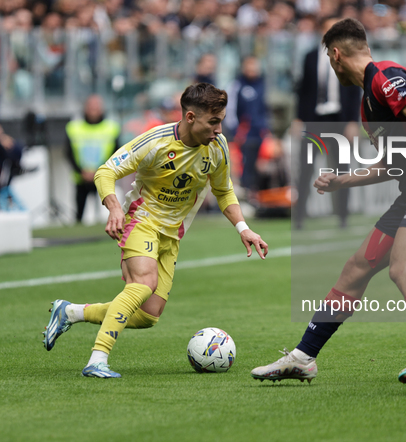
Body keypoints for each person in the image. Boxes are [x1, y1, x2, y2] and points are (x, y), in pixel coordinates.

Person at [251, 18, 406, 385]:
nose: (330, 65)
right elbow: (393, 162)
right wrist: (344, 180)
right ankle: (303, 357)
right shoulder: (369, 101)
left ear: (336, 54)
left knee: (403, 268)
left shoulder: (386, 77)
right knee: (356, 269)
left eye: (329, 58)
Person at [43, 83, 269, 378]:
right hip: (141, 221)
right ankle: (97, 359)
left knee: (148, 315)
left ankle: (71, 312)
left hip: (172, 233)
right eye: (213, 121)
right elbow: (106, 171)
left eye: (221, 120)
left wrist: (244, 228)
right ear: (190, 117)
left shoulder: (218, 147)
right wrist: (113, 208)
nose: (218, 128)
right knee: (142, 282)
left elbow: (224, 192)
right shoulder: (156, 141)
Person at [294, 16, 361, 230]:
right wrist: (298, 117)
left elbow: (353, 91)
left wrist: (353, 121)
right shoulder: (311, 57)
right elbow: (304, 91)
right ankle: (299, 218)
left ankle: (343, 216)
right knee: (306, 168)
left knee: (342, 170)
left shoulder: (347, 57)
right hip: (315, 120)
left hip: (339, 120)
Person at [65, 95, 121, 223]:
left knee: (109, 211)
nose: (93, 110)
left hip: (105, 176)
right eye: (91, 107)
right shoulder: (74, 127)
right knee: (79, 214)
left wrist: (99, 171)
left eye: (96, 107)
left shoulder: (112, 127)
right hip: (81, 177)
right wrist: (81, 171)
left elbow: (117, 153)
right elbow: (68, 153)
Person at [226, 56, 269, 194]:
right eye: (249, 66)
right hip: (243, 135)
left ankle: (255, 195)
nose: (252, 69)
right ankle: (244, 195)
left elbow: (263, 109)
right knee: (243, 166)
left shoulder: (261, 85)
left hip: (259, 134)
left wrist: (266, 130)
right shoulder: (236, 85)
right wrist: (236, 131)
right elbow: (230, 110)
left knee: (258, 166)